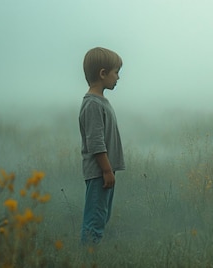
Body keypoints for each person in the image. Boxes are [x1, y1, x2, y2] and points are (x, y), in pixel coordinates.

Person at [79, 47, 125, 245]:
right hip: (99, 173)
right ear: (103, 73)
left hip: (105, 172)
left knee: (101, 218)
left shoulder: (100, 101)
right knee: (94, 222)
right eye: (116, 72)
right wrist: (107, 170)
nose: (118, 78)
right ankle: (87, 259)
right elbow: (96, 142)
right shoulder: (93, 105)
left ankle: (91, 256)